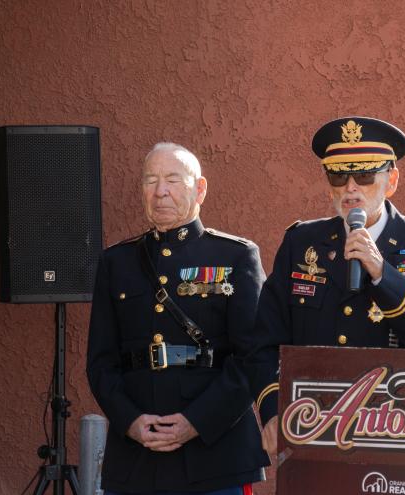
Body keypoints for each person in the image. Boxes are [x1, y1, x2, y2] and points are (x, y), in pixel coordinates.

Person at [247, 116, 405, 454]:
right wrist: (271, 410)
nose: (350, 188)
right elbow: (263, 341)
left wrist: (384, 274)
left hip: (397, 429)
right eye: (338, 176)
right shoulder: (302, 243)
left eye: (365, 176)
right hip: (315, 426)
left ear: (391, 180)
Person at [86, 143, 269, 495]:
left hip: (215, 454)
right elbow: (100, 361)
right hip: (137, 455)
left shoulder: (235, 256)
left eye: (172, 179)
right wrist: (129, 421)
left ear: (199, 188)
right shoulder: (117, 262)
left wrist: (196, 422)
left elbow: (253, 357)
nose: (160, 191)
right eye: (150, 180)